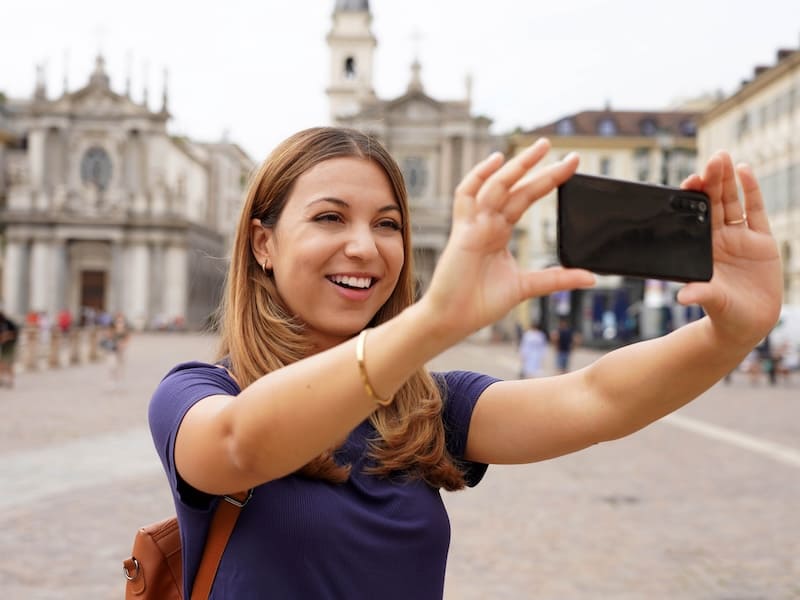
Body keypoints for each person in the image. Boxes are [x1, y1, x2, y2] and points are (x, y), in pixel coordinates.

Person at [148, 127, 782, 599]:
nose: (365, 247)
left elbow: (600, 396)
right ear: (263, 243)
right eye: (329, 217)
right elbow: (239, 446)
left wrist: (731, 333)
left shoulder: (428, 408)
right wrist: (432, 322)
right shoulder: (199, 394)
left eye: (388, 223)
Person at [0, 309, 19, 388]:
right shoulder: (2, 323)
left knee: (8, 364)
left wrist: (6, 336)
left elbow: (14, 334)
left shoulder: (9, 323)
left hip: (10, 346)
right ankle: (2, 379)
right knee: (2, 363)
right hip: (3, 346)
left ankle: (10, 381)